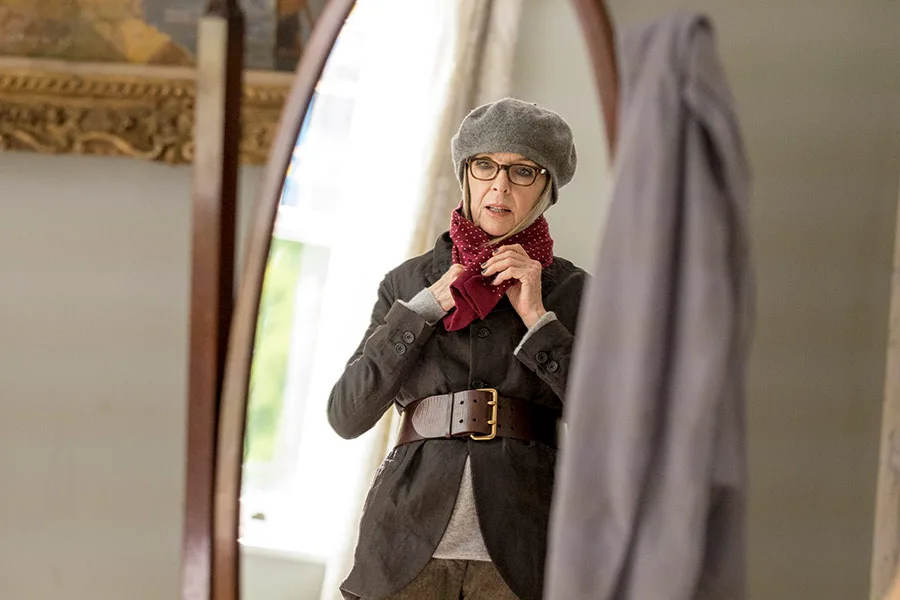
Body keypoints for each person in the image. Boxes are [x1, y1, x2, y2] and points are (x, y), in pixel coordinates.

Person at [327, 97, 586, 600]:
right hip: (402, 548)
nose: (500, 186)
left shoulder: (574, 293)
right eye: (485, 165)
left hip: (523, 556)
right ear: (465, 173)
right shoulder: (407, 284)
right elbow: (347, 415)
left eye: (523, 171)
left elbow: (613, 431)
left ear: (547, 188)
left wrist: (539, 320)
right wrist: (425, 307)